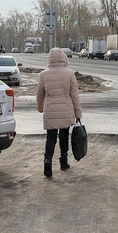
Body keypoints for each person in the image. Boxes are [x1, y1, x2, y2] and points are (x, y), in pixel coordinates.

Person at [36, 47, 82, 177]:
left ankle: (48, 160)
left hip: (50, 109)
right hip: (65, 110)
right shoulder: (69, 74)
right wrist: (78, 113)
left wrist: (41, 108)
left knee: (50, 138)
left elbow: (39, 94)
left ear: (50, 59)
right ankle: (63, 161)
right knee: (63, 136)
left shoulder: (44, 74)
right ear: (63, 58)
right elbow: (75, 96)